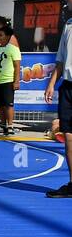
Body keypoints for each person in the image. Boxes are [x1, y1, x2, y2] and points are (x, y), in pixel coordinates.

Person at [48, 15, 72, 197]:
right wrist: (52, 83)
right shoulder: (68, 25)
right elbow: (61, 58)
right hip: (68, 86)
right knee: (69, 136)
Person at [0, 22, 21, 137]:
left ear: (7, 36)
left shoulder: (13, 49)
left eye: (1, 35)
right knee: (0, 105)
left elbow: (17, 65)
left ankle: (10, 125)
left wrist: (16, 81)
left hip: (7, 81)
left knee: (8, 104)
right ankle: (2, 125)